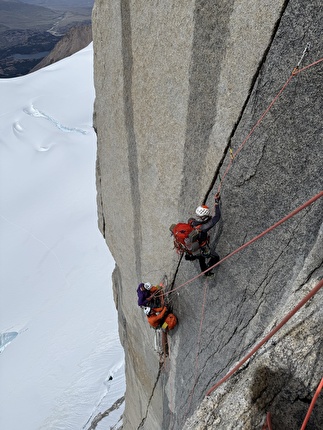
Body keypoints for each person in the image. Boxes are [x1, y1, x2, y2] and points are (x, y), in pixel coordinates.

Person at [185, 193, 221, 276]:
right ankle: (207, 270)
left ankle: (200, 266)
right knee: (215, 257)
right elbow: (217, 217)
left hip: (193, 245)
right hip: (202, 246)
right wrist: (216, 202)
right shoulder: (204, 227)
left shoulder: (192, 222)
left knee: (200, 257)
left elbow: (190, 219)